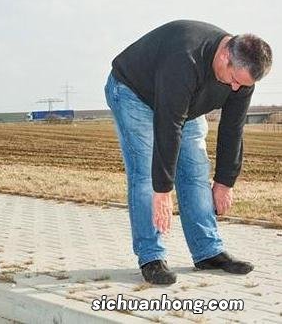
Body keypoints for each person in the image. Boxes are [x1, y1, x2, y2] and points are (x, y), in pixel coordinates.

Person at [104, 20, 272, 284]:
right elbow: (168, 126)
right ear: (226, 54)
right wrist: (162, 190)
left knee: (195, 171)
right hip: (133, 92)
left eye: (244, 84)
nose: (236, 88)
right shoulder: (184, 58)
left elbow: (232, 129)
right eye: (234, 80)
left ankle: (208, 252)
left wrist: (225, 182)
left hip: (187, 101)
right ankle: (152, 256)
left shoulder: (242, 77)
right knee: (146, 176)